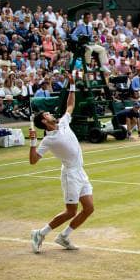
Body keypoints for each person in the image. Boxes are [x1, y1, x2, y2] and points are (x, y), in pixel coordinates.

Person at [29, 72, 94, 253]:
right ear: (44, 121)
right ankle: (40, 233)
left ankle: (63, 236)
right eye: (47, 114)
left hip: (80, 172)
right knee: (70, 211)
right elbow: (34, 161)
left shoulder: (63, 122)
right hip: (70, 174)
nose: (51, 114)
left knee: (89, 208)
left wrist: (72, 85)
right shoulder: (47, 140)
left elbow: (70, 104)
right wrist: (33, 143)